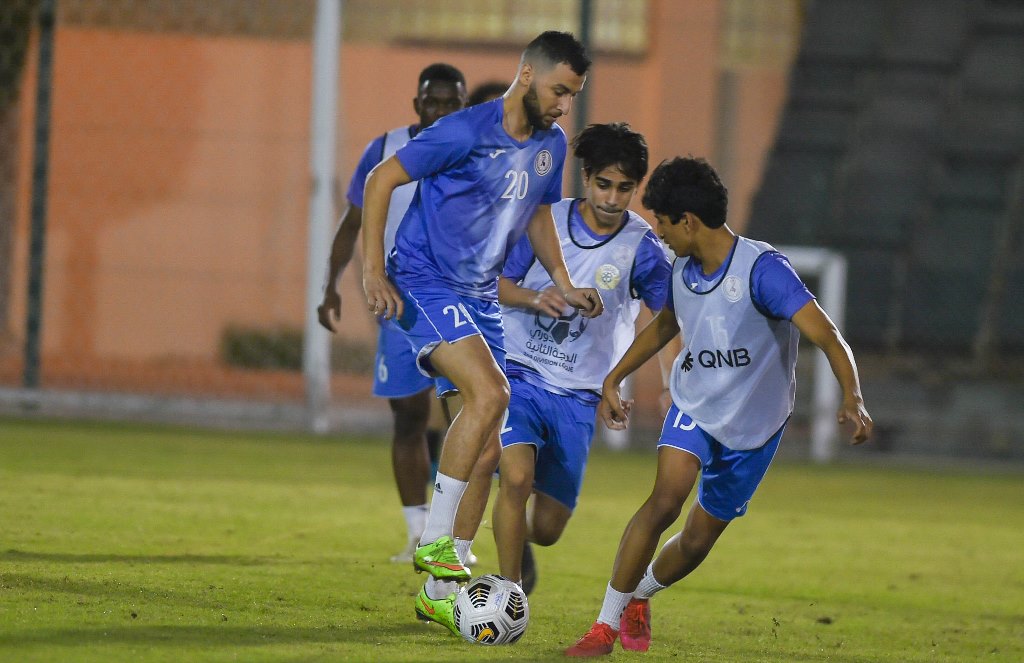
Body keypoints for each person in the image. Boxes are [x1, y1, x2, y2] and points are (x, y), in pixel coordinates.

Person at [564, 156, 873, 657]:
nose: (658, 234)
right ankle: (603, 627)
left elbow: (829, 336)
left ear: (686, 220)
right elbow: (667, 324)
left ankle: (641, 595)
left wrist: (853, 398)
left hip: (756, 426)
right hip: (694, 404)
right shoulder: (684, 269)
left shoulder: (763, 271)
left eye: (662, 223)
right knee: (664, 499)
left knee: (696, 541)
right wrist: (615, 376)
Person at [360, 31, 600, 634]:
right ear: (527, 74)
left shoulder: (551, 145)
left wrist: (564, 281)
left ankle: (441, 592)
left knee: (489, 449)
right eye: (558, 90)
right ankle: (436, 541)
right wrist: (372, 270)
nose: (563, 105)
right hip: (423, 281)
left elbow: (541, 212)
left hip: (480, 296)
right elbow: (380, 181)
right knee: (490, 396)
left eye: (572, 95)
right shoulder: (465, 130)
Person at [492, 122, 671, 597]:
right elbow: (498, 286)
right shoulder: (545, 221)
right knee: (515, 477)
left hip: (577, 395)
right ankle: (508, 596)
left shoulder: (644, 249)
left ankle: (513, 533)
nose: (613, 198)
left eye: (625, 188)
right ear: (585, 178)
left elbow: (671, 320)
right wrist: (538, 298)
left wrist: (670, 382)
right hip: (518, 371)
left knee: (548, 527)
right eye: (604, 185)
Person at [316, 63, 467, 564]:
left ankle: (454, 535)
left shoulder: (476, 155)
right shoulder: (384, 151)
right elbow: (353, 221)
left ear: (463, 107)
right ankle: (417, 529)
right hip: (400, 306)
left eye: (451, 102)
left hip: (457, 301)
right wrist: (330, 284)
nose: (441, 110)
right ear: (417, 104)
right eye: (433, 101)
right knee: (408, 416)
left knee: (465, 412)